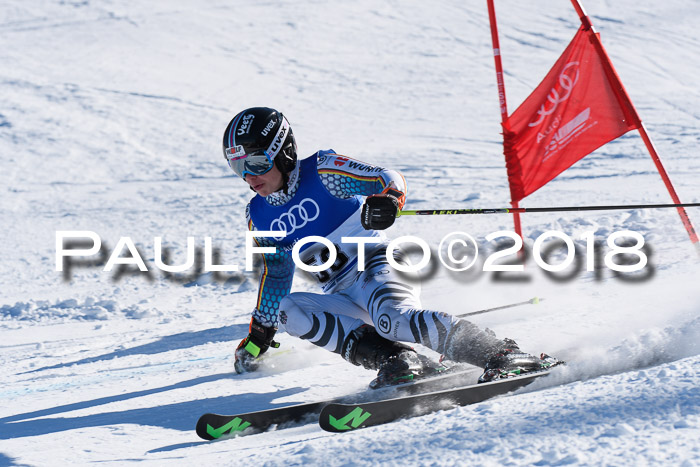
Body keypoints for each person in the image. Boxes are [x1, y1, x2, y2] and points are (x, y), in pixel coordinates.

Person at [223, 106, 552, 387]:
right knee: (288, 310)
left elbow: (386, 177)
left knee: (393, 318)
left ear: (283, 152)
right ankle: (400, 361)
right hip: (341, 292)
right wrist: (259, 335)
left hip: (378, 266)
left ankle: (502, 354)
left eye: (256, 163)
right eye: (239, 167)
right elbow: (277, 274)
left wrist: (390, 199)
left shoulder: (323, 172)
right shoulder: (258, 215)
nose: (249, 177)